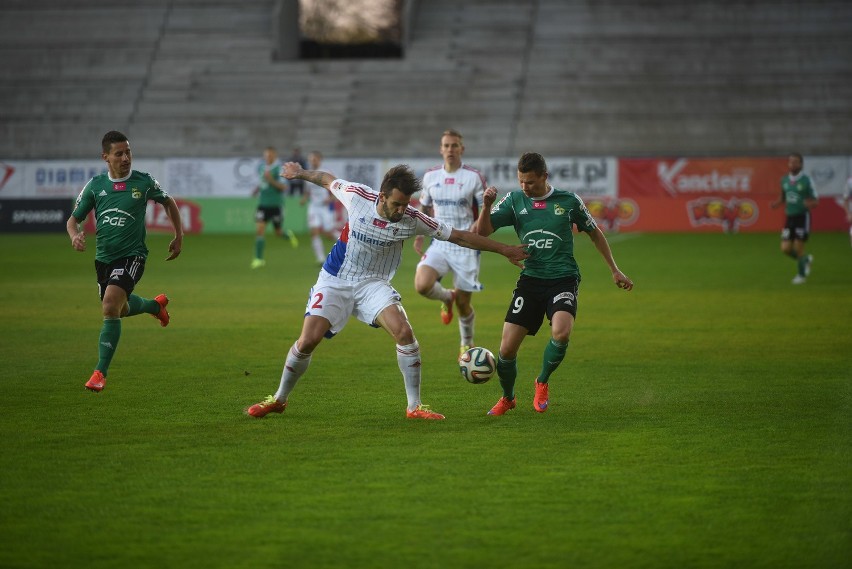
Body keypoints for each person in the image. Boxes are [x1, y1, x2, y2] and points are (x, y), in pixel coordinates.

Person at [246, 162, 529, 421]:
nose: (400, 211)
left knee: (405, 334)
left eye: (405, 205)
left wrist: (505, 249)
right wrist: (299, 173)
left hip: (374, 284)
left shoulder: (412, 218)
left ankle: (414, 407)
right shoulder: (357, 196)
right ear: (381, 196)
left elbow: (461, 236)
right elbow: (326, 179)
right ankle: (279, 399)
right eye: (396, 204)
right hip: (335, 279)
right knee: (308, 340)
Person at [475, 152, 633, 415]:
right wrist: (486, 206)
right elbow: (481, 233)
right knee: (506, 349)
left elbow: (595, 233)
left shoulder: (569, 201)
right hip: (530, 280)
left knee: (561, 332)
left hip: (563, 278)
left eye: (531, 183)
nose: (525, 187)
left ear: (544, 177)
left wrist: (614, 270)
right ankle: (508, 397)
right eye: (521, 182)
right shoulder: (514, 200)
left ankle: (542, 381)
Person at [66, 130, 183, 393]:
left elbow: (169, 202)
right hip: (103, 259)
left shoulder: (143, 182)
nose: (126, 157)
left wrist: (179, 235)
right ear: (105, 157)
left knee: (109, 306)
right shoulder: (95, 186)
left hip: (133, 256)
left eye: (128, 152)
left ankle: (100, 373)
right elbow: (73, 220)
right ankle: (154, 306)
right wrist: (74, 237)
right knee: (118, 309)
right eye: (119, 153)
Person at [413, 129, 487, 357]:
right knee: (422, 285)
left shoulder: (473, 177)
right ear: (441, 149)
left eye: (454, 145)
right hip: (440, 241)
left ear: (461, 149)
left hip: (466, 244)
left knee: (464, 305)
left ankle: (466, 342)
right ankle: (447, 297)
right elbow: (424, 207)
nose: (450, 150)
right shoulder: (430, 176)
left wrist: (478, 225)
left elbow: (485, 208)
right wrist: (419, 235)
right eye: (446, 145)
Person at [770, 152, 818, 284]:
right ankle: (806, 260)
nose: (792, 164)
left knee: (798, 247)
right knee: (785, 248)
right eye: (790, 161)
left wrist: (809, 203)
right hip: (789, 218)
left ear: (801, 164)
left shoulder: (806, 181)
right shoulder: (784, 180)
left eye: (795, 162)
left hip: (802, 217)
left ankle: (801, 276)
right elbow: (783, 197)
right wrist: (776, 203)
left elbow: (815, 200)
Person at [251, 146, 297, 269]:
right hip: (263, 204)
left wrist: (271, 180)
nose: (267, 157)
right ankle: (258, 259)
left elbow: (284, 187)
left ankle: (288, 235)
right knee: (260, 230)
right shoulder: (261, 167)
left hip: (276, 205)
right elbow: (261, 182)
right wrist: (256, 190)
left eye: (270, 155)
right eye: (266, 155)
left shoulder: (279, 169)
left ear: (274, 156)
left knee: (278, 232)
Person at [300, 150, 338, 263]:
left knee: (329, 234)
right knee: (314, 231)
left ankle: (347, 242)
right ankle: (320, 258)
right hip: (313, 207)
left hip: (325, 207)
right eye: (310, 159)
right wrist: (304, 199)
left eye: (314, 159)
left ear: (319, 160)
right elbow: (308, 190)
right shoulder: (307, 173)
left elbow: (337, 189)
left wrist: (330, 198)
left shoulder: (326, 173)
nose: (312, 161)